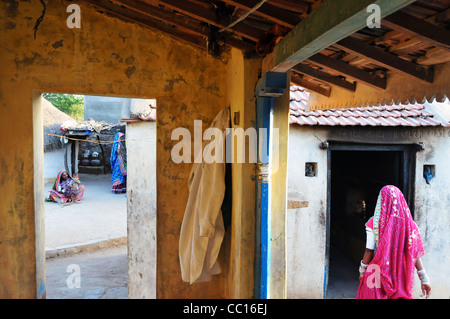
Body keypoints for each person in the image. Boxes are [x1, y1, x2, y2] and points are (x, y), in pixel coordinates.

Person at [356, 185, 431, 299]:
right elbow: (413, 253)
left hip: (375, 272)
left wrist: (362, 271)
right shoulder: (410, 225)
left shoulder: (373, 222)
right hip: (400, 273)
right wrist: (424, 277)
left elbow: (369, 250)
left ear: (381, 201)